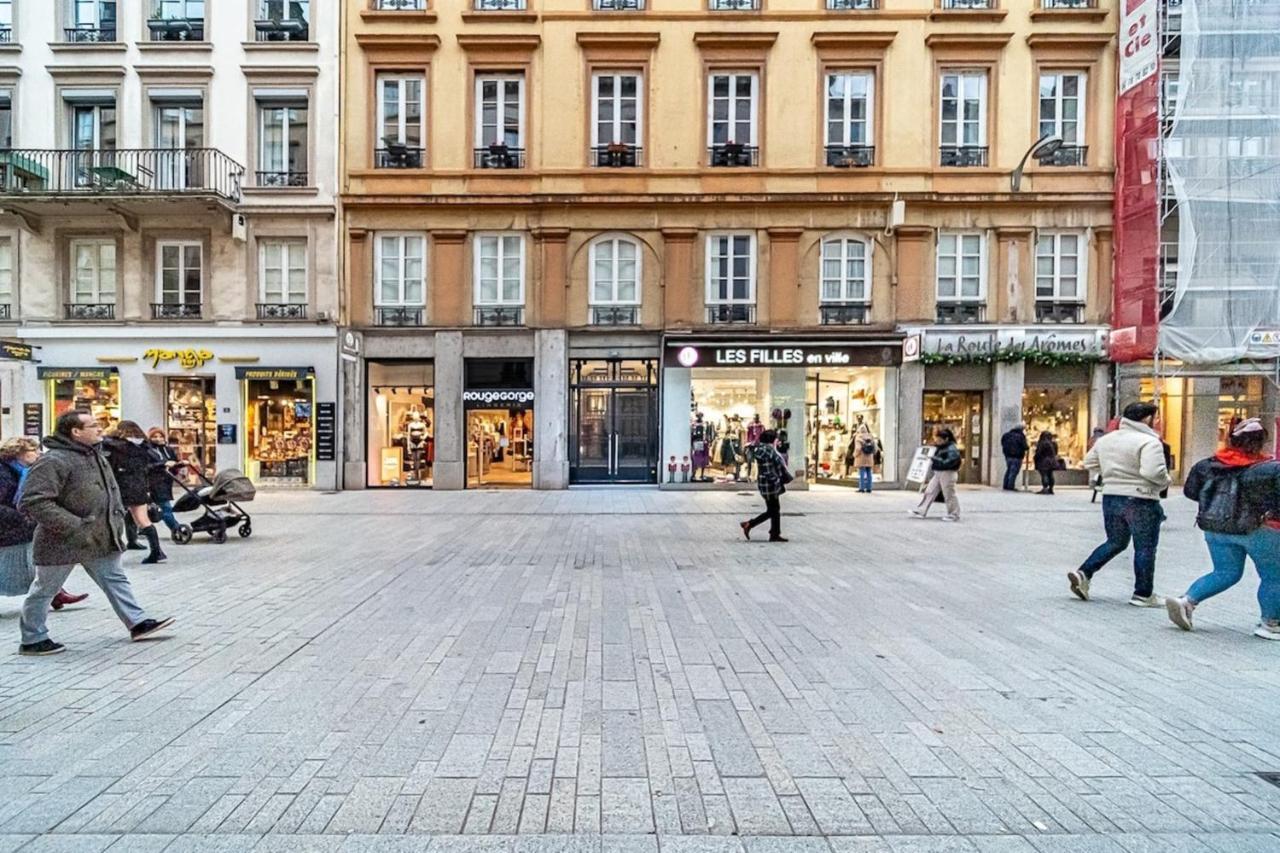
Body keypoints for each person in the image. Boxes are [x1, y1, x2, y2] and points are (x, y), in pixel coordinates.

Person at [17, 411, 174, 656]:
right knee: (45, 589)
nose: (100, 429)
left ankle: (137, 622)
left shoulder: (95, 455)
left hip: (98, 536)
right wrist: (73, 524)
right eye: (93, 425)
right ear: (75, 432)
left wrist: (115, 518)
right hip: (63, 540)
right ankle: (32, 638)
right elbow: (32, 501)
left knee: (115, 578)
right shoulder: (54, 460)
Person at [1165, 418, 1280, 640]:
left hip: (1217, 528)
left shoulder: (1208, 464)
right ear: (1262, 442)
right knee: (1274, 577)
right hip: (1259, 529)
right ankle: (1270, 623)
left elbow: (1191, 492)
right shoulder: (1270, 469)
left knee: (1225, 572)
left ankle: (1187, 601)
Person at [1067, 401, 1171, 607]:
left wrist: (1111, 474)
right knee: (1145, 547)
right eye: (1155, 417)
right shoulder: (1149, 441)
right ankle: (1143, 593)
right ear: (1147, 419)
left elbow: (1089, 463)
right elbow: (1152, 472)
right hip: (1141, 498)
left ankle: (1084, 573)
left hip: (1111, 496)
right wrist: (1165, 481)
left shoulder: (1107, 440)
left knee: (1115, 541)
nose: (1156, 421)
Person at [0, 438, 88, 611]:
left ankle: (55, 593)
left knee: (32, 563)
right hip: (8, 527)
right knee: (9, 567)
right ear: (20, 453)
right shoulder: (4, 473)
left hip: (20, 527)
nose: (39, 454)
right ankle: (55, 593)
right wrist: (19, 516)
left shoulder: (24, 471)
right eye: (35, 451)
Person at [103, 421, 167, 565]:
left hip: (119, 486)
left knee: (111, 518)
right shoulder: (144, 446)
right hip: (139, 485)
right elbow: (150, 465)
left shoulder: (114, 446)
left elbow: (109, 467)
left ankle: (110, 551)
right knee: (143, 519)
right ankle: (156, 552)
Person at [740, 429, 791, 542]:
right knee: (773, 510)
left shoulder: (760, 448)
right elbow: (770, 468)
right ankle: (750, 524)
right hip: (770, 483)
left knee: (774, 508)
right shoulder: (767, 450)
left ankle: (774, 533)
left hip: (765, 482)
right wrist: (776, 480)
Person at [910, 428, 962, 522]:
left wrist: (935, 459)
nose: (937, 441)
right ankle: (921, 510)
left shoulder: (951, 449)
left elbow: (950, 462)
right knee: (930, 491)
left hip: (948, 473)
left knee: (949, 494)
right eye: (937, 439)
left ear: (946, 439)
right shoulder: (940, 447)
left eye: (939, 440)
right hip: (939, 472)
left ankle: (954, 514)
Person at [146, 428, 182, 536]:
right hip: (154, 482)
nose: (158, 439)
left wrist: (181, 464)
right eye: (155, 437)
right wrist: (163, 464)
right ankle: (176, 528)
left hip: (166, 481)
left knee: (156, 507)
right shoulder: (148, 451)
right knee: (166, 507)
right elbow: (146, 466)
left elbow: (174, 462)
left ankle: (142, 527)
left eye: (160, 436)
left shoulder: (168, 449)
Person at [851, 422, 878, 493]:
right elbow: (875, 448)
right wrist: (873, 454)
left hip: (861, 458)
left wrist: (854, 455)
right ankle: (869, 488)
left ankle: (862, 488)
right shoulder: (871, 436)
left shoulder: (858, 437)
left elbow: (858, 448)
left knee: (862, 473)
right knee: (869, 473)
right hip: (869, 457)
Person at [1001, 424, 1029, 492]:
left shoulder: (1006, 435)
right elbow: (1025, 446)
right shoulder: (1021, 436)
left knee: (1009, 470)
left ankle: (1005, 485)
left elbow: (1002, 443)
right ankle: (1010, 486)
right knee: (1014, 471)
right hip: (1017, 456)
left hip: (1008, 456)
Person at [1034, 431, 1059, 495]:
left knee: (1044, 474)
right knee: (1050, 474)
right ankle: (1051, 488)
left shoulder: (1042, 443)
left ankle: (1045, 488)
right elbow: (1056, 452)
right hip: (1052, 461)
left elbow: (1039, 453)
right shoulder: (1054, 443)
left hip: (1044, 461)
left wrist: (1036, 458)